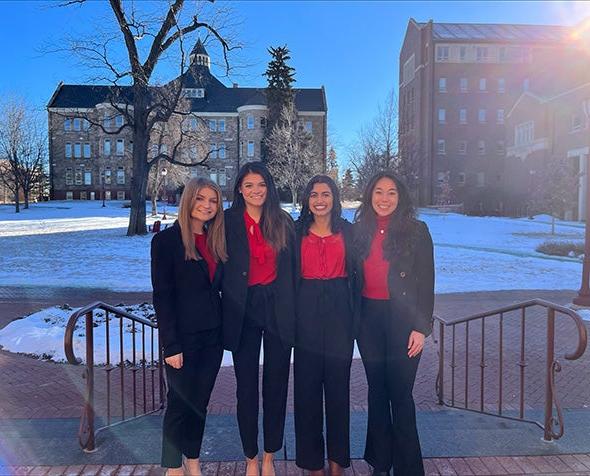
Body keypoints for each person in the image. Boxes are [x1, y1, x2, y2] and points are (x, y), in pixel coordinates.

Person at [353, 171, 434, 476]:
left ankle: (408, 468)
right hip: (369, 320)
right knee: (376, 391)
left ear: (400, 198)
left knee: (400, 394)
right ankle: (380, 462)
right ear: (369, 196)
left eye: (391, 193)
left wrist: (420, 327)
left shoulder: (417, 231)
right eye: (378, 192)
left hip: (403, 321)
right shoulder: (359, 231)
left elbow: (427, 281)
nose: (384, 199)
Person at [222, 162, 296, 476]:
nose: (256, 191)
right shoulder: (225, 222)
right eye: (249, 185)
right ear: (240, 188)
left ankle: (269, 456)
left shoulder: (282, 221)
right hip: (243, 308)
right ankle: (251, 456)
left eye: (261, 185)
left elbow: (294, 270)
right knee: (246, 388)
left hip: (278, 308)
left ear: (269, 188)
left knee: (277, 385)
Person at [151, 178, 227, 476]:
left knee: (199, 403)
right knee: (179, 403)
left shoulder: (215, 239)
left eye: (213, 200)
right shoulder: (166, 242)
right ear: (189, 201)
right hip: (182, 338)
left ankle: (193, 460)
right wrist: (170, 344)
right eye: (201, 199)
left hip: (212, 336)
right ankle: (173, 467)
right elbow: (162, 296)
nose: (207, 206)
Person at [293, 175, 355, 476]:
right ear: (307, 199)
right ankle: (312, 464)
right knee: (306, 394)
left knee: (338, 393)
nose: (320, 199)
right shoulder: (295, 232)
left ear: (335, 198)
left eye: (326, 194)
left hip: (340, 313)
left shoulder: (350, 232)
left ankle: (337, 462)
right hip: (304, 312)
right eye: (314, 194)